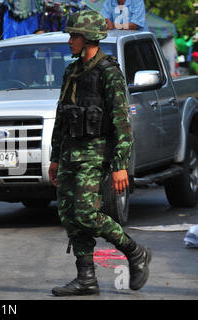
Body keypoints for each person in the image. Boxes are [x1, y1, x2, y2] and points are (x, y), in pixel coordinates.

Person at [48, 10, 151, 296]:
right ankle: (86, 278)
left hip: (95, 154)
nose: (70, 41)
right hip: (70, 153)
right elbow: (61, 117)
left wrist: (119, 165)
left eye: (74, 36)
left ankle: (135, 251)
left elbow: (122, 122)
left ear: (89, 38)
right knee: (70, 215)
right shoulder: (71, 71)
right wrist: (55, 157)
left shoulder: (107, 71)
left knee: (86, 213)